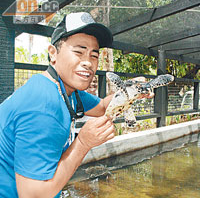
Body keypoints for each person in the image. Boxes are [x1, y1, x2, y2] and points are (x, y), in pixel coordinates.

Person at [0, 12, 152, 198]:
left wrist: (128, 93)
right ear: (53, 54)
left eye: (94, 55)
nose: (88, 62)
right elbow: (33, 195)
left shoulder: (66, 90)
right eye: (78, 52)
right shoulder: (43, 106)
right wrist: (83, 143)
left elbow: (102, 107)